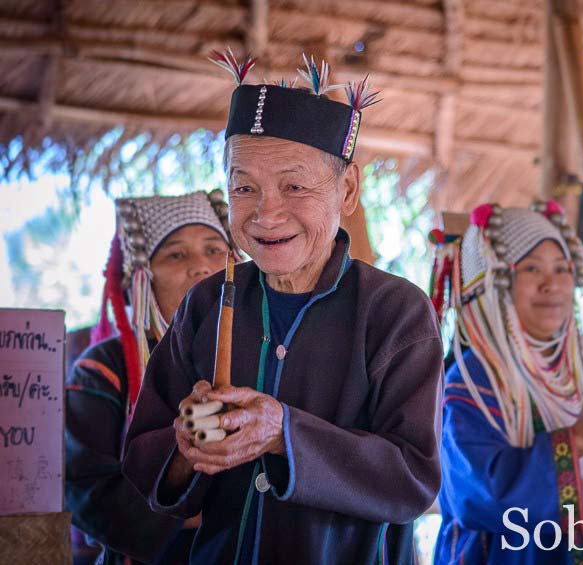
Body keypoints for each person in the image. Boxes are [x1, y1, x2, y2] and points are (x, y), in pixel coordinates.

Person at [122, 52, 444, 563]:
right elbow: (144, 457)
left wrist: (282, 434)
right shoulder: (207, 302)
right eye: (244, 186)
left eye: (294, 186)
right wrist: (187, 445)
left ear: (348, 189)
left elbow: (412, 480)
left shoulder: (395, 312)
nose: (267, 213)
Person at [431, 201, 583, 564]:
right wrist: (579, 441)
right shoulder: (471, 384)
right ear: (495, 282)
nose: (552, 283)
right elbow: (483, 498)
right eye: (531, 268)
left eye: (562, 269)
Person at [65, 190, 236, 564]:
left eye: (214, 250)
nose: (201, 267)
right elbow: (86, 488)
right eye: (176, 254)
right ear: (142, 278)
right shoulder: (105, 368)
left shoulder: (263, 355)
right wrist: (196, 517)